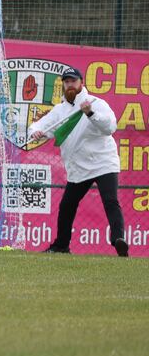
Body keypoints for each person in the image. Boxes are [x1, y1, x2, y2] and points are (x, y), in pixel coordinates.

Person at [28, 67, 128, 257]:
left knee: (111, 200)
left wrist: (90, 113)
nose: (69, 85)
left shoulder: (96, 103)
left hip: (103, 163)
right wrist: (36, 132)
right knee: (67, 205)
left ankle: (118, 240)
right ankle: (61, 246)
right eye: (66, 82)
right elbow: (39, 125)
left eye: (73, 81)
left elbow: (110, 127)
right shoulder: (60, 110)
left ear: (81, 83)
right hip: (79, 169)